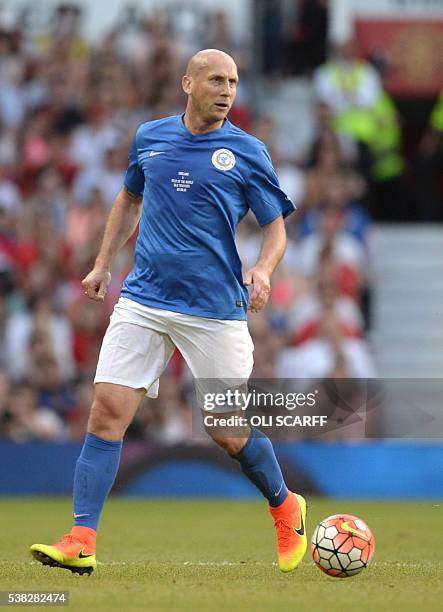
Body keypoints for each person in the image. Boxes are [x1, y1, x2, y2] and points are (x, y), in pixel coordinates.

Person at [30, 49, 306, 575]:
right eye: (217, 80)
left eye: (234, 82)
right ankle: (82, 537)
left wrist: (265, 269)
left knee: (224, 430)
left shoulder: (247, 152)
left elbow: (276, 227)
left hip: (215, 309)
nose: (227, 90)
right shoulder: (150, 137)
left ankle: (285, 505)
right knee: (107, 411)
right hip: (145, 298)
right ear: (188, 83)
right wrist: (102, 264)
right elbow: (129, 198)